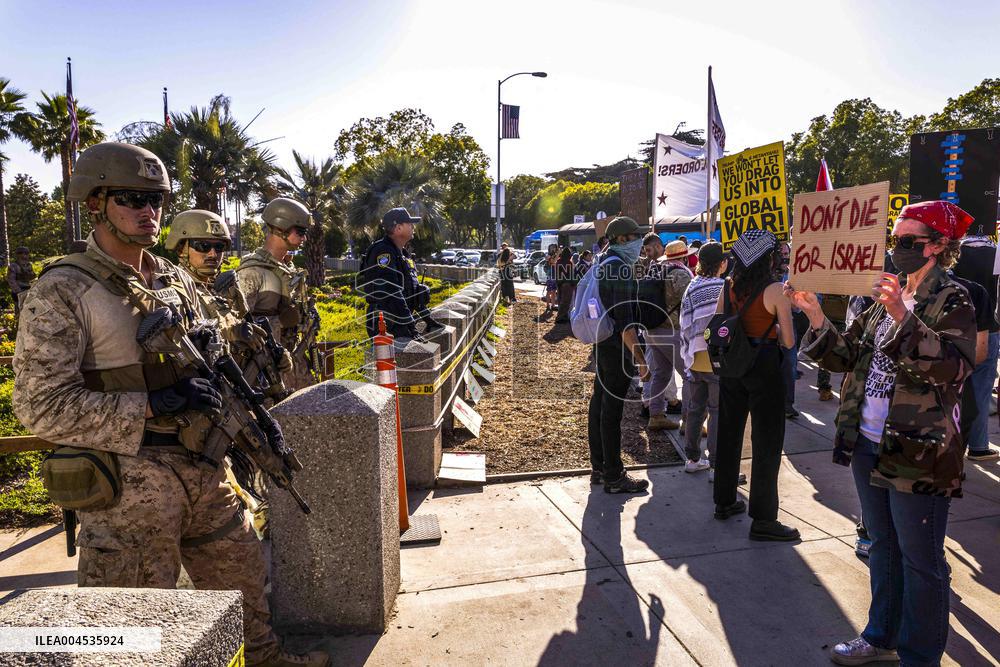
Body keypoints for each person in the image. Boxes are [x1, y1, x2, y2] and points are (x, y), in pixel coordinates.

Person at [11, 142, 327, 667]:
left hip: (202, 465)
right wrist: (152, 403)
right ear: (95, 202)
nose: (148, 211)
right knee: (130, 626)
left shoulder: (173, 278)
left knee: (244, 581)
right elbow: (39, 404)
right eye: (131, 198)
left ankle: (266, 661)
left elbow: (218, 347)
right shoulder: (64, 288)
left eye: (156, 199)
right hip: (127, 481)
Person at [789, 201, 976, 667]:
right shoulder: (880, 298)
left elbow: (953, 369)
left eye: (908, 242)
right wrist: (814, 316)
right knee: (882, 549)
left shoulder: (953, 298)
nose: (898, 250)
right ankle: (881, 637)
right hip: (867, 441)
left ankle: (919, 656)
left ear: (938, 246)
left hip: (920, 450)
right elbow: (846, 357)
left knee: (921, 563)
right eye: (894, 240)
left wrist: (900, 314)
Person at [713, 229, 799, 541]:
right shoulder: (776, 290)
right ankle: (763, 519)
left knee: (729, 433)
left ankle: (723, 501)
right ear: (768, 257)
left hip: (733, 365)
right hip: (763, 365)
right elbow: (788, 341)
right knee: (767, 442)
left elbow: (721, 324)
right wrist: (773, 324)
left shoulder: (728, 285)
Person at [164, 209, 293, 401]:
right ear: (181, 247)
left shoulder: (225, 289)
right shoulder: (173, 291)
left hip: (236, 394)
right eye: (203, 245)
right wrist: (232, 331)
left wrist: (274, 354)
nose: (213, 254)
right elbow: (182, 341)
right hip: (202, 397)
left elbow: (248, 330)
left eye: (219, 247)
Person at [588, 216, 650, 494]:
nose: (640, 243)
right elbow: (626, 326)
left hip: (602, 345)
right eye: (636, 237)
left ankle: (599, 468)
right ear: (622, 239)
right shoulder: (621, 270)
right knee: (611, 412)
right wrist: (641, 360)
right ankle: (614, 475)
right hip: (617, 349)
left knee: (600, 405)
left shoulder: (602, 261)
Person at [237, 197, 318, 392]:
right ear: (281, 227)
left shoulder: (287, 270)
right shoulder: (252, 272)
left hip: (294, 366)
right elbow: (238, 326)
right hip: (268, 374)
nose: (304, 239)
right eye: (300, 232)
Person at [679, 241, 728, 477]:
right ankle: (718, 466)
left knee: (696, 409)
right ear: (721, 263)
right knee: (717, 411)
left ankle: (692, 458)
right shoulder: (724, 287)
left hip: (695, 355)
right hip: (716, 358)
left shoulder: (692, 285)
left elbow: (685, 321)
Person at [357, 207, 442, 341]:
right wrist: (410, 324)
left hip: (401, 321)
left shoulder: (402, 253)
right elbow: (392, 291)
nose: (413, 227)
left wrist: (427, 318)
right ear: (398, 228)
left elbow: (412, 291)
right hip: (387, 323)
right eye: (409, 224)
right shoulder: (383, 251)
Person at [953, 230, 1000, 460]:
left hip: (956, 326)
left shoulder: (954, 253)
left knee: (953, 385)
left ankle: (954, 443)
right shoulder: (995, 252)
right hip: (989, 327)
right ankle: (979, 444)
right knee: (981, 388)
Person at [639, 235, 691, 432]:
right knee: (688, 375)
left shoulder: (656, 269)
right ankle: (688, 421)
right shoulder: (681, 274)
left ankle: (656, 415)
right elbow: (689, 302)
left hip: (651, 329)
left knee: (660, 373)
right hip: (671, 330)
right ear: (685, 257)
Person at [775, 242, 800, 418]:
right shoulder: (766, 275)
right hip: (767, 328)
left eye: (787, 252)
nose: (785, 256)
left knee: (789, 365)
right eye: (781, 253)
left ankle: (786, 405)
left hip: (787, 327)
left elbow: (798, 308)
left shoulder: (794, 275)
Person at [7, 246, 35, 317]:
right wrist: (18, 292)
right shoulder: (13, 266)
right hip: (19, 292)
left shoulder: (29, 265)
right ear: (18, 255)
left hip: (28, 291)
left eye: (26, 253)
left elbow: (32, 278)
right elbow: (11, 280)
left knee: (31, 312)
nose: (24, 255)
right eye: (21, 253)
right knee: (19, 313)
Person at [554, 246, 576, 323]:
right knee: (566, 301)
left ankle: (563, 316)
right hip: (567, 284)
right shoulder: (569, 262)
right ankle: (560, 317)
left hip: (559, 283)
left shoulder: (558, 261)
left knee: (560, 300)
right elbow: (571, 274)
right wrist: (573, 283)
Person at [544, 243, 559, 314]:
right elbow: (553, 262)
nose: (553, 249)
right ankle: (547, 305)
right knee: (549, 291)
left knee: (554, 291)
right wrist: (558, 254)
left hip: (556, 275)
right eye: (552, 247)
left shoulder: (556, 255)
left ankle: (553, 305)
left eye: (555, 247)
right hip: (551, 275)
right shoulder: (548, 255)